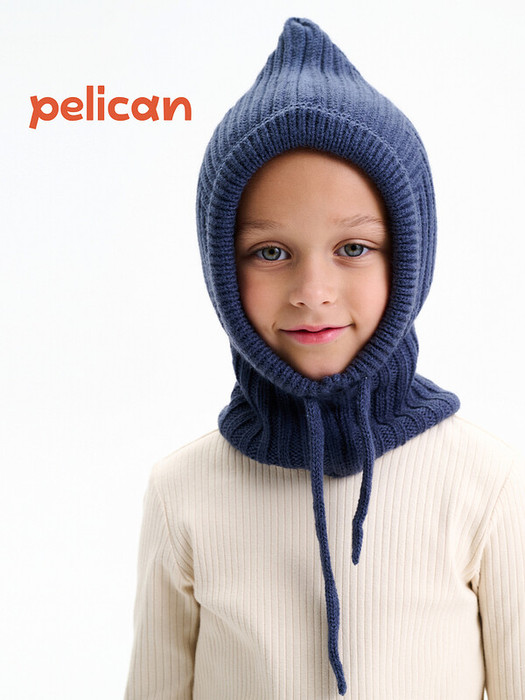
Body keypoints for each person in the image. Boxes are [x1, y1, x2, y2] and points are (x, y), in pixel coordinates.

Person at [124, 17, 525, 699]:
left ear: (411, 256)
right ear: (221, 267)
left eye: (353, 248)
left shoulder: (488, 483)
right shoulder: (181, 491)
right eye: (270, 252)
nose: (312, 291)